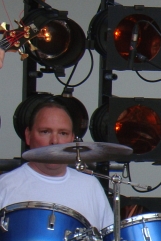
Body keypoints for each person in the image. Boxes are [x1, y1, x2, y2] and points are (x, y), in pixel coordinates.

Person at [0, 97, 113, 230]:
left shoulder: (90, 186)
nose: (54, 141)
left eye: (63, 133)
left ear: (72, 139)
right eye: (45, 132)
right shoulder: (5, 186)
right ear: (28, 136)